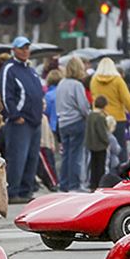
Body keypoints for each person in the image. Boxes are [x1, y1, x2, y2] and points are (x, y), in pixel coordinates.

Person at [0, 36, 44, 203]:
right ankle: (12, 191)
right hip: (20, 122)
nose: (25, 51)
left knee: (32, 158)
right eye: (22, 48)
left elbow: (36, 91)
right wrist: (14, 115)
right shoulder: (9, 68)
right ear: (14, 50)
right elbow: (5, 94)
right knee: (17, 157)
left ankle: (26, 190)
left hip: (35, 121)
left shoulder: (30, 69)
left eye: (27, 48)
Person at [90, 58, 130, 163]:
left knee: (101, 149)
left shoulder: (94, 80)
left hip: (100, 118)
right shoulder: (118, 80)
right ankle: (121, 173)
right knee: (120, 148)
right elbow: (128, 101)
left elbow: (93, 99)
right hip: (117, 119)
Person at [55, 56, 90, 192]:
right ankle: (75, 185)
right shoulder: (77, 85)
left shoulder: (61, 83)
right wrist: (88, 114)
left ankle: (63, 184)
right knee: (76, 155)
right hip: (76, 122)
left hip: (63, 122)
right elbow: (83, 106)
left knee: (66, 155)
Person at [85, 95, 110, 190]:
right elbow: (102, 132)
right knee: (100, 166)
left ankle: (93, 184)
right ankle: (100, 184)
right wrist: (107, 141)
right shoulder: (100, 117)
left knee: (93, 165)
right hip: (100, 145)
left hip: (91, 144)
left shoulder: (90, 115)